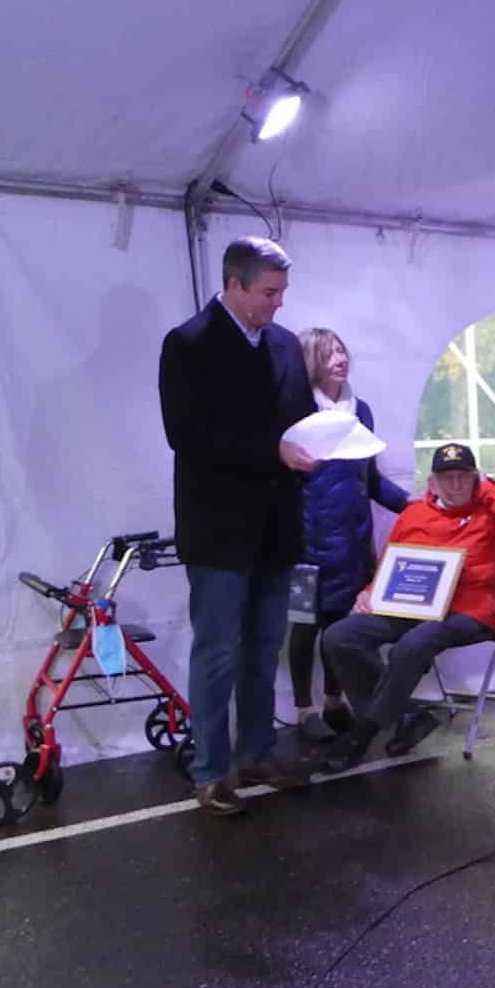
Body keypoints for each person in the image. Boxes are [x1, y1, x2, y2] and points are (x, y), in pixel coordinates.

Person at [158, 236, 317, 817]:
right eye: (269, 293)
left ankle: (257, 753)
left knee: (264, 646)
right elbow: (189, 436)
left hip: (276, 524)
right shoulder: (188, 344)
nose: (279, 305)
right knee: (219, 650)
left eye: (282, 293)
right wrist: (276, 453)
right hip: (219, 527)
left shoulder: (282, 345)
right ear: (234, 285)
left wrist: (324, 439)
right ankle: (210, 771)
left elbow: (297, 419)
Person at [320, 444, 495, 769]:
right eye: (447, 478)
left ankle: (362, 735)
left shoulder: (492, 512)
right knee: (338, 636)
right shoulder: (414, 513)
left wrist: (490, 487)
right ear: (432, 483)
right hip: (413, 606)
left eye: (463, 478)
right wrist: (370, 591)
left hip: (471, 611)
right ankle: (407, 714)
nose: (455, 485)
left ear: (476, 479)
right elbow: (392, 560)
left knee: (415, 644)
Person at [290, 327, 411, 743]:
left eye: (341, 351)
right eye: (328, 354)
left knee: (342, 627)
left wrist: (415, 505)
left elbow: (370, 479)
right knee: (304, 625)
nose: (339, 359)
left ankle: (333, 700)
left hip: (354, 542)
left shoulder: (362, 412)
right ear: (310, 363)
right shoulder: (296, 408)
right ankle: (304, 709)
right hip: (304, 544)